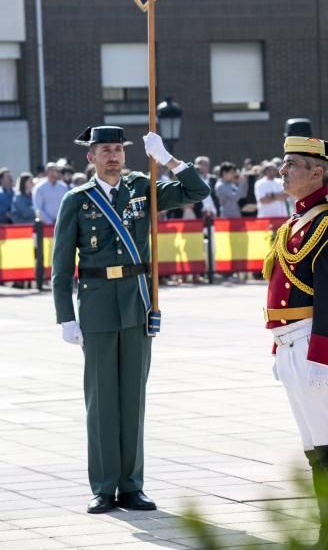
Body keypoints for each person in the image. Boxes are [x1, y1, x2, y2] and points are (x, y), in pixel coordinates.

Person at [52, 126, 210, 514]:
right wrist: (65, 318)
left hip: (137, 304)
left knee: (133, 400)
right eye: (104, 151)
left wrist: (167, 158)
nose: (113, 157)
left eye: (118, 150)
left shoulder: (143, 187)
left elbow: (197, 191)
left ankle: (132, 486)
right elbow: (60, 267)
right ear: (90, 158)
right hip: (97, 305)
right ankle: (104, 487)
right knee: (102, 400)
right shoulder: (78, 200)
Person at [262, 135, 328, 549]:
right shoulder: (296, 221)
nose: (282, 170)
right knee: (314, 448)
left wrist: (323, 357)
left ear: (317, 172)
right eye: (283, 162)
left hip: (315, 344)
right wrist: (278, 347)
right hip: (291, 344)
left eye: (292, 164)